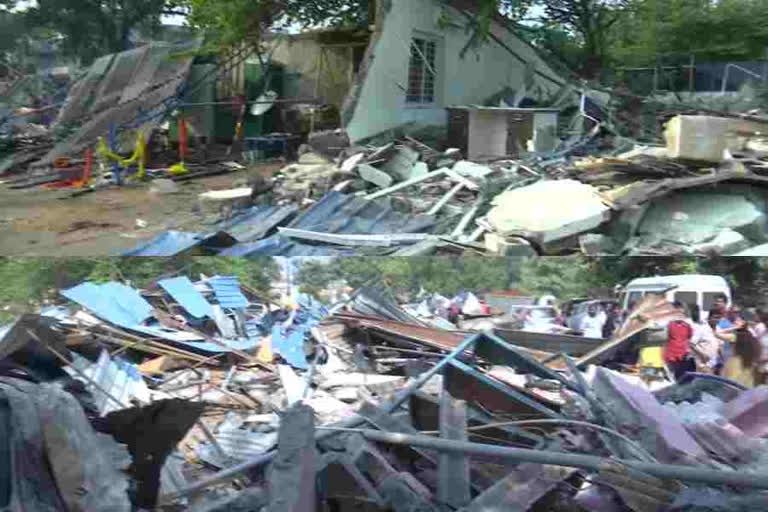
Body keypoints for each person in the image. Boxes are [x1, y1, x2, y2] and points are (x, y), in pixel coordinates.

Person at [722, 323, 763, 388]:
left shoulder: (734, 361)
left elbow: (730, 383)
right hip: (746, 392)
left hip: (732, 393)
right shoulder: (752, 361)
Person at [664, 301, 696, 381]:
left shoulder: (687, 325)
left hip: (683, 357)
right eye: (677, 311)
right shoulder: (668, 324)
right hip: (671, 357)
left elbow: (689, 338)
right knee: (672, 379)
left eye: (681, 311)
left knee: (682, 379)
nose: (680, 313)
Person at [688, 306, 720, 373]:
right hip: (703, 366)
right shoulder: (702, 329)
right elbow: (691, 344)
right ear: (709, 318)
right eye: (715, 317)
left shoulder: (719, 330)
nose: (717, 320)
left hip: (715, 366)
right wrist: (702, 354)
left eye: (718, 318)